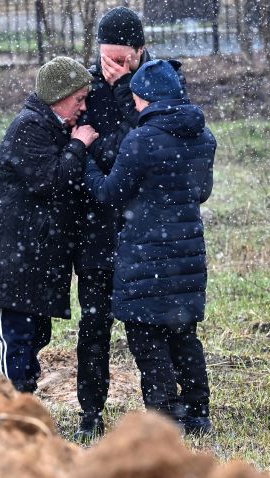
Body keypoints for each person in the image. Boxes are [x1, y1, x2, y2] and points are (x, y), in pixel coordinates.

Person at [83, 59, 216, 435]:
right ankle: (198, 414)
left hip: (146, 253)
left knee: (146, 335)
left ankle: (164, 414)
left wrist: (88, 162)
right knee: (184, 335)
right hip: (187, 253)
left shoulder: (140, 140)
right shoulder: (203, 137)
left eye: (137, 101)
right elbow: (201, 192)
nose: (136, 107)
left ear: (147, 98)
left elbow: (110, 193)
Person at [0, 56, 99, 393]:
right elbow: (51, 182)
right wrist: (78, 144)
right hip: (12, 258)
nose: (83, 108)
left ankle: (21, 402)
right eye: (79, 99)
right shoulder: (29, 126)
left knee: (34, 334)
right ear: (58, 96)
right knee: (13, 338)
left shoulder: (51, 125)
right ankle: (6, 408)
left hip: (32, 256)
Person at [72, 6, 164, 441]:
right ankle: (91, 412)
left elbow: (139, 145)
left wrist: (126, 89)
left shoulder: (157, 85)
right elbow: (88, 147)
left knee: (148, 325)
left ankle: (161, 413)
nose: (114, 68)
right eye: (108, 58)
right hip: (96, 227)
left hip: (142, 230)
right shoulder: (86, 88)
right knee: (93, 327)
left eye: (123, 60)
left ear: (141, 52)